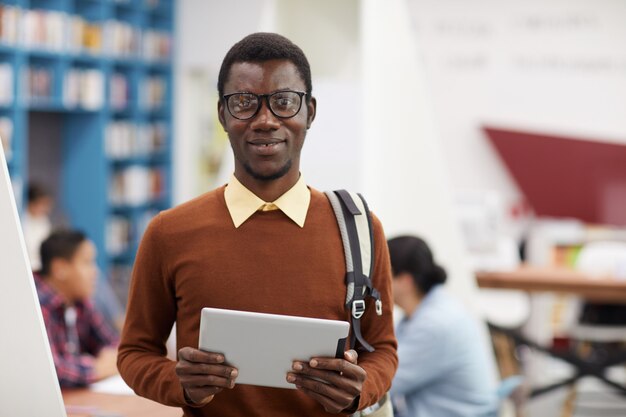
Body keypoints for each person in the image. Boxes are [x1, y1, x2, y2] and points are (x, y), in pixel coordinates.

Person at [117, 32, 397, 417]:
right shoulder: (169, 232)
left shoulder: (359, 230)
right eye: (244, 103)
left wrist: (358, 391)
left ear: (309, 112)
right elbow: (134, 353)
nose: (265, 120)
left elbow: (382, 350)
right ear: (223, 115)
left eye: (284, 102)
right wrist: (181, 386)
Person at [387, 236, 498, 417]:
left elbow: (381, 384)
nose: (373, 282)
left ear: (405, 281)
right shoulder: (429, 310)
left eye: (380, 273)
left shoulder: (434, 324)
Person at [35, 229, 119, 388]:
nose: (95, 272)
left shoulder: (80, 301)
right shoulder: (38, 304)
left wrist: (107, 358)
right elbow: (51, 371)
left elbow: (115, 345)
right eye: (87, 262)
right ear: (60, 269)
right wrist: (97, 368)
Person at [22, 182, 53, 271]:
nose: (46, 209)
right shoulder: (22, 219)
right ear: (31, 203)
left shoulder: (44, 221)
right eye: (42, 204)